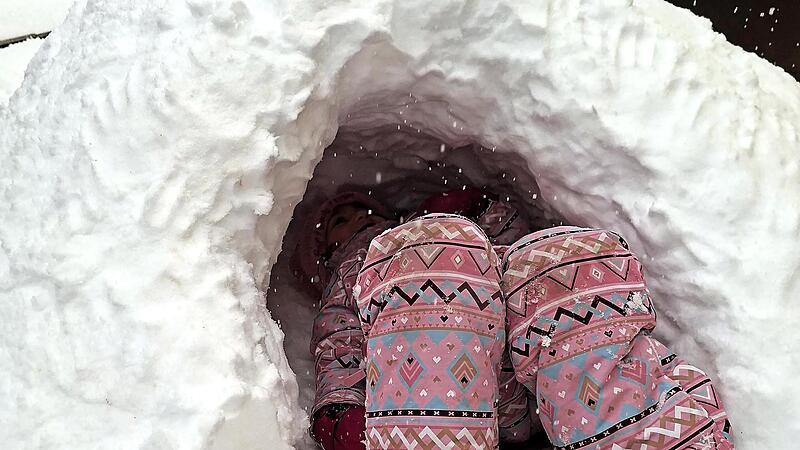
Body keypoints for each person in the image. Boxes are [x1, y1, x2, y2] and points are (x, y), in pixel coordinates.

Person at [293, 190, 734, 450]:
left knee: (555, 264)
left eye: (365, 211)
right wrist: (341, 407)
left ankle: (640, 433)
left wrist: (480, 212)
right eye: (341, 222)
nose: (359, 221)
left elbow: (514, 247)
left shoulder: (445, 230)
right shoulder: (354, 274)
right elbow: (341, 342)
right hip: (445, 388)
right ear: (326, 253)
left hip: (543, 378)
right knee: (422, 261)